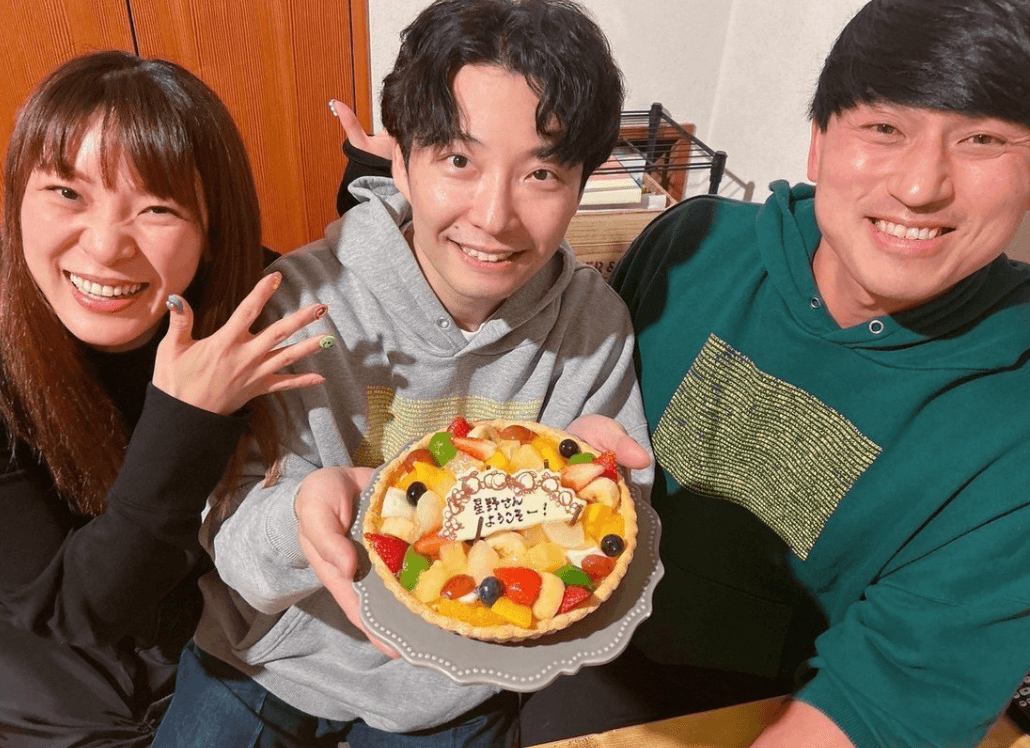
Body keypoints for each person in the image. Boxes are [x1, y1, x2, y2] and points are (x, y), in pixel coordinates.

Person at [336, 0, 1030, 745]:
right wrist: (385, 198)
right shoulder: (693, 243)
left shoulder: (1011, 418)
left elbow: (883, 708)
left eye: (983, 140)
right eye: (885, 128)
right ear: (819, 142)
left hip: (728, 712)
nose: (921, 186)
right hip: (513, 635)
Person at [154, 1, 651, 746]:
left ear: (583, 186)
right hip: (268, 657)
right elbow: (233, 542)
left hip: (452, 683)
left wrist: (587, 491)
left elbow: (610, 547)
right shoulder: (298, 304)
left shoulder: (593, 326)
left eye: (542, 172)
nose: (494, 216)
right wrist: (298, 516)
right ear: (400, 160)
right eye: (459, 161)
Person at [0, 51, 330, 747]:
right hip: (59, 695)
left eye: (157, 208)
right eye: (67, 193)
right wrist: (187, 421)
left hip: (231, 662)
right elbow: (79, 611)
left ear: (212, 232)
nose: (104, 247)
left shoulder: (246, 307)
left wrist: (393, 201)